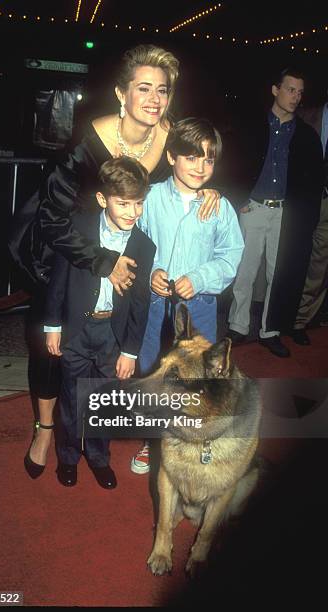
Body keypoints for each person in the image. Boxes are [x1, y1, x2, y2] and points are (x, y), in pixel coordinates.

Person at [16, 44, 220, 479]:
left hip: (131, 264)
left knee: (113, 353)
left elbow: (198, 164)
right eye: (143, 88)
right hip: (71, 253)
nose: (153, 99)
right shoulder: (88, 142)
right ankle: (46, 430)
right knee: (55, 350)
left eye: (162, 90)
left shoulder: (170, 138)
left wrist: (210, 191)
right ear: (120, 94)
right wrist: (101, 260)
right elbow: (52, 218)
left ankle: (96, 440)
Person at [130, 117, 244, 475]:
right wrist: (151, 274)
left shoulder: (218, 207)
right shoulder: (149, 199)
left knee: (200, 379)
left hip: (199, 307)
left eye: (209, 159)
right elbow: (131, 244)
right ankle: (153, 440)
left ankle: (198, 438)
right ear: (171, 156)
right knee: (153, 368)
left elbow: (230, 255)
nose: (200, 166)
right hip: (152, 304)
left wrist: (199, 277)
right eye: (192, 157)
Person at [44, 157, 156, 489]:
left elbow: (140, 301)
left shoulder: (144, 245)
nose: (132, 212)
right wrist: (53, 324)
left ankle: (98, 458)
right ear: (102, 199)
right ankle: (68, 457)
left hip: (113, 334)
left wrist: (131, 351)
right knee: (72, 398)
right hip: (77, 328)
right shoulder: (79, 230)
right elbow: (58, 280)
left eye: (138, 203)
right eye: (123, 203)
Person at [227, 68, 323, 358]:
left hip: (284, 214)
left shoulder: (306, 135)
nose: (296, 96)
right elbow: (233, 162)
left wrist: (304, 218)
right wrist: (237, 198)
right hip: (253, 208)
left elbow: (313, 181)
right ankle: (237, 326)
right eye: (290, 89)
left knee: (277, 275)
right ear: (275, 90)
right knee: (244, 272)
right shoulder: (252, 124)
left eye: (299, 92)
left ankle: (270, 331)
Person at [291, 90, 328, 344]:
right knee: (290, 259)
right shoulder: (304, 115)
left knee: (318, 264)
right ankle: (275, 317)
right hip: (301, 202)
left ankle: (300, 321)